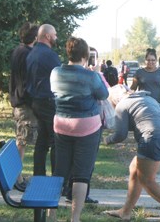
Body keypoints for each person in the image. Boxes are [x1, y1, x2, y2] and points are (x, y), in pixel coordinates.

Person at [103, 85, 160, 221]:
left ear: (114, 100)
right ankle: (125, 212)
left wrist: (107, 140)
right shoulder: (148, 98)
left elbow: (120, 135)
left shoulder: (122, 105)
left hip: (151, 138)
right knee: (135, 169)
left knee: (147, 180)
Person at [50, 37, 109, 222]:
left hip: (61, 125)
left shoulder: (55, 73)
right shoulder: (91, 76)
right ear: (85, 56)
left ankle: (51, 214)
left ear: (68, 53)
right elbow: (104, 94)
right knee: (81, 175)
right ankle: (74, 218)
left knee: (59, 170)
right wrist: (97, 74)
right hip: (87, 127)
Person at [26, 23, 61, 176]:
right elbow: (60, 77)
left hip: (35, 101)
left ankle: (38, 174)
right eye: (54, 34)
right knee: (55, 140)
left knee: (42, 140)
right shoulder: (49, 55)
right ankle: (56, 177)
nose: (56, 37)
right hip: (47, 101)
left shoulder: (31, 53)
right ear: (47, 36)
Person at [9, 22, 39, 191]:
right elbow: (27, 82)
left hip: (18, 103)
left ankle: (17, 176)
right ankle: (17, 178)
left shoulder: (17, 51)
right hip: (24, 105)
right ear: (34, 37)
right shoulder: (27, 54)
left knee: (21, 140)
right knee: (22, 141)